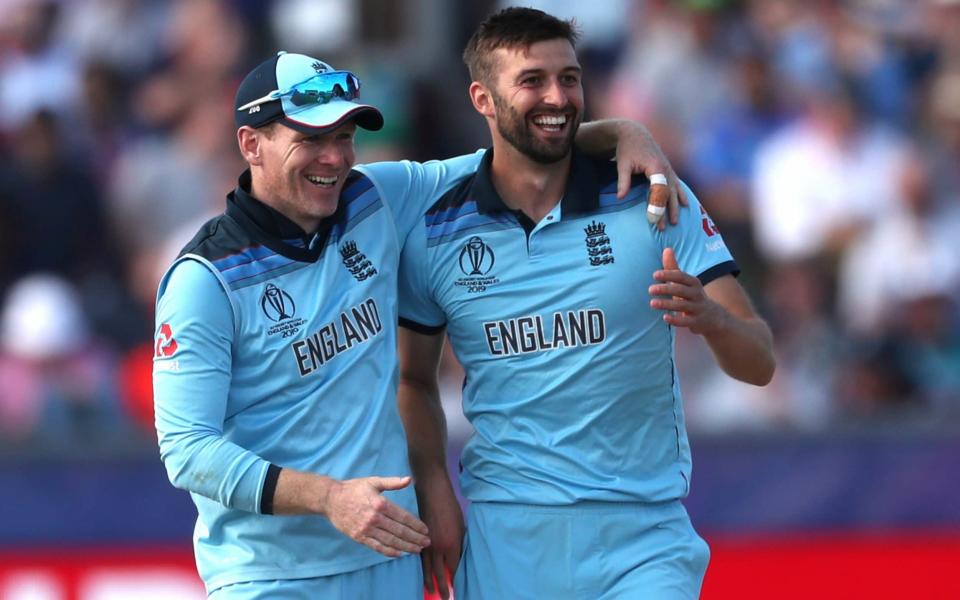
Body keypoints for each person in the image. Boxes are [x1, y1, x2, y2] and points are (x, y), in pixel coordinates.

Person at [152, 49, 681, 599]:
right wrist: (329, 498)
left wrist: (621, 133)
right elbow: (188, 450)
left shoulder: (372, 198)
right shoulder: (203, 280)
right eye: (310, 139)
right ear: (251, 145)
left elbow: (513, 157)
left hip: (390, 560)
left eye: (344, 137)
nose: (334, 158)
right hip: (270, 577)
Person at [396, 8, 776, 600]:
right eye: (532, 81)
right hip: (506, 542)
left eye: (569, 78)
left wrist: (712, 318)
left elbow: (760, 361)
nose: (558, 96)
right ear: (482, 98)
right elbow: (413, 381)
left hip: (644, 539)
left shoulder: (649, 193)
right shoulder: (436, 227)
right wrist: (434, 488)